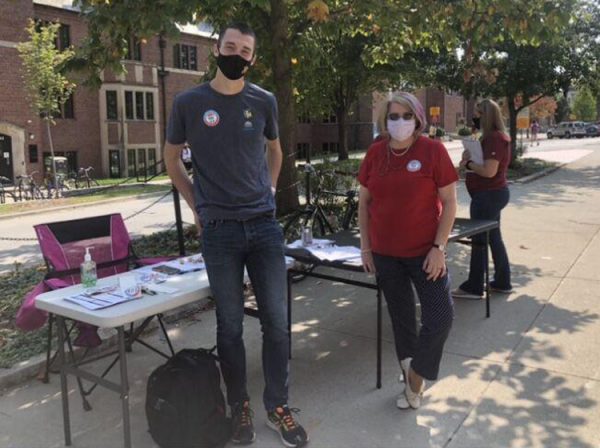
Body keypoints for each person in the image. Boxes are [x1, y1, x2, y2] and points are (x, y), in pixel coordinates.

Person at [163, 22, 308, 448]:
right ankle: (240, 406)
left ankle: (277, 405)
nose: (237, 55)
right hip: (220, 232)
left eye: (245, 50)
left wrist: (269, 187)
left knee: (277, 325)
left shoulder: (263, 100)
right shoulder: (189, 102)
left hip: (263, 228)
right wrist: (196, 205)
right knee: (229, 328)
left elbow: (275, 149)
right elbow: (172, 159)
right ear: (216, 48)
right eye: (230, 46)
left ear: (253, 58)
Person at [358, 92, 458, 410]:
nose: (399, 122)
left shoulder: (432, 151)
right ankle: (411, 385)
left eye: (405, 116)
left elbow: (451, 202)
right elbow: (364, 202)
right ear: (384, 120)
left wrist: (439, 247)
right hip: (386, 255)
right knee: (402, 320)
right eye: (392, 116)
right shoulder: (375, 153)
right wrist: (366, 247)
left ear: (417, 119)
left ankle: (415, 375)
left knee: (440, 317)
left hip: (425, 253)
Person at [453, 99, 513, 299]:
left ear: (486, 115)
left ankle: (474, 286)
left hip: (488, 196)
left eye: (478, 113)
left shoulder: (495, 138)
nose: (475, 117)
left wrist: (470, 165)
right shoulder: (490, 138)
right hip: (490, 195)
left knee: (479, 240)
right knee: (494, 238)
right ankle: (503, 281)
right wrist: (468, 160)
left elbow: (489, 171)